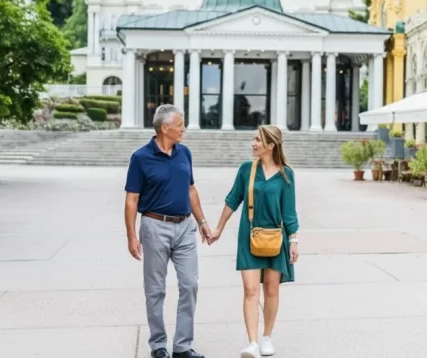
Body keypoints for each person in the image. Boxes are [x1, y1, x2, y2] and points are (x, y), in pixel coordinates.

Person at [124, 104, 212, 358]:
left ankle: (182, 346)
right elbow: (131, 200)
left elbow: (191, 190)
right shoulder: (141, 158)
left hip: (185, 227)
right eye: (180, 124)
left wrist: (203, 222)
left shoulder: (185, 153)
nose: (183, 129)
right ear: (165, 128)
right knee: (155, 289)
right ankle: (158, 345)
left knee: (190, 284)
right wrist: (131, 236)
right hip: (154, 227)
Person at [208, 125, 299, 358]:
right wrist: (218, 228)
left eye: (258, 140)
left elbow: (289, 212)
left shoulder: (286, 174)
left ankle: (266, 337)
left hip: (276, 239)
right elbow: (232, 200)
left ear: (271, 145)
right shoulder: (246, 170)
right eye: (254, 139)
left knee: (271, 289)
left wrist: (294, 240)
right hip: (248, 237)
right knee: (250, 290)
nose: (253, 143)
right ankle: (252, 343)